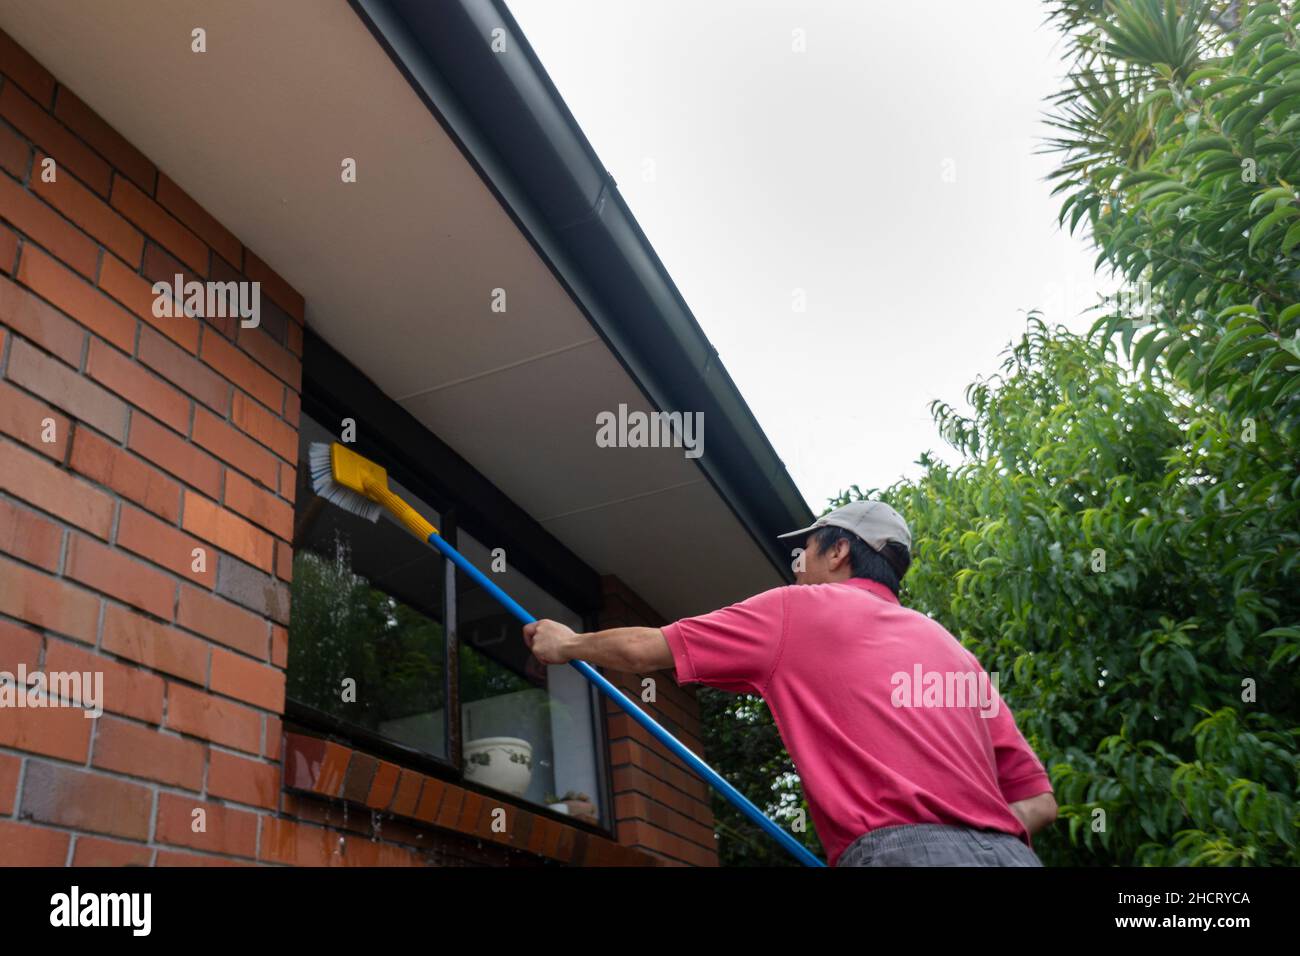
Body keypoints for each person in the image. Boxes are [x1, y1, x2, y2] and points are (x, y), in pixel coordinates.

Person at [521, 500, 1056, 866]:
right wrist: (967, 835)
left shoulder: (799, 611)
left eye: (806, 552)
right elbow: (1039, 803)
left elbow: (643, 650)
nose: (796, 568)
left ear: (840, 552)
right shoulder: (954, 652)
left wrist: (566, 645)